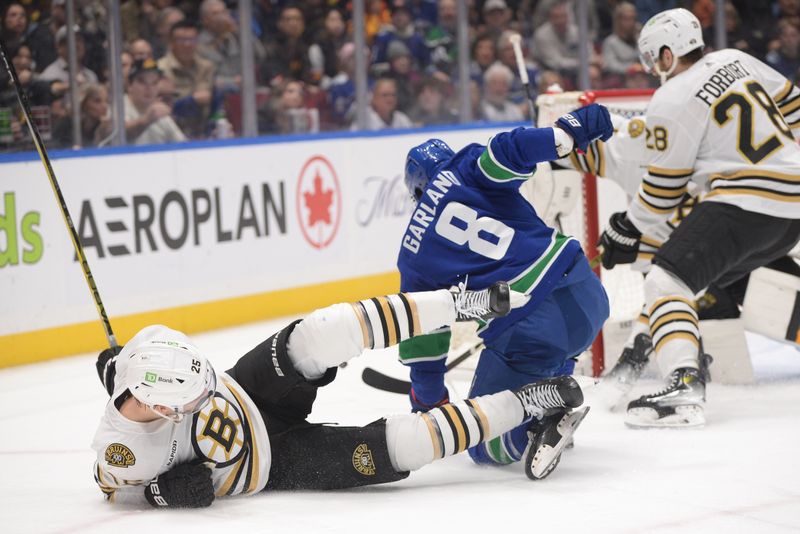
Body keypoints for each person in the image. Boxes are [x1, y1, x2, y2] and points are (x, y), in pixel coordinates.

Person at [92, 283, 590, 507]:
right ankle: (529, 402)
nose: (201, 395)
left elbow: (131, 372)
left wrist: (118, 368)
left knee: (319, 332)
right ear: (157, 404)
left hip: (250, 391)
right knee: (402, 447)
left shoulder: (153, 351)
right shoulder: (124, 452)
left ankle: (461, 303)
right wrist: (156, 494)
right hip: (273, 466)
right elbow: (113, 489)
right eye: (190, 397)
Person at [598, 8, 800, 428]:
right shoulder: (735, 59)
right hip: (793, 203)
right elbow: (795, 106)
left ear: (668, 55)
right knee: (713, 279)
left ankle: (684, 383)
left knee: (664, 280)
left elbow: (665, 189)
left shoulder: (670, 98)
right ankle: (658, 348)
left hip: (746, 202)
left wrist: (626, 227)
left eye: (655, 59)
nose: (655, 68)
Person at [396, 104, 613, 477]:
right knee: (544, 350)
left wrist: (429, 399)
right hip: (587, 294)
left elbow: (423, 336)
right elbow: (507, 150)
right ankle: (549, 398)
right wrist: (565, 134)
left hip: (532, 327)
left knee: (483, 446)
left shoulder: (414, 252)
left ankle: (539, 415)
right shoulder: (464, 167)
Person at [124, 58, 187, 145]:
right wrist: (146, 120)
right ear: (129, 86)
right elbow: (119, 134)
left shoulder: (159, 112)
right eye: (142, 82)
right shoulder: (119, 107)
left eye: (154, 82)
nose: (149, 88)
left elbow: (183, 145)